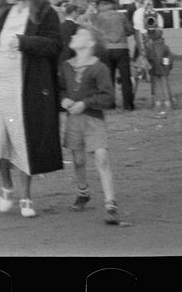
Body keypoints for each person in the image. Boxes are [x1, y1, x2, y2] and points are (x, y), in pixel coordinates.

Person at [0, 0, 63, 219]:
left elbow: (55, 45)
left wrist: (25, 42)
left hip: (26, 85)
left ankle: (26, 196)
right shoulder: (3, 12)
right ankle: (6, 186)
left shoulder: (45, 13)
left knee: (23, 138)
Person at [59, 25, 120, 224]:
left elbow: (108, 96)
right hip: (74, 121)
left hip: (94, 120)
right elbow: (60, 90)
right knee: (78, 159)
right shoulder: (66, 66)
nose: (74, 35)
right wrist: (63, 100)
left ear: (90, 43)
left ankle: (110, 204)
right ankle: (83, 191)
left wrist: (85, 103)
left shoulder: (99, 68)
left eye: (78, 34)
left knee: (102, 157)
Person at [88, 0, 136, 111]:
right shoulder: (121, 16)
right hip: (122, 48)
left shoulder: (98, 18)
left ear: (102, 5)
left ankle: (110, 104)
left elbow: (94, 33)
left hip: (106, 49)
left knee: (108, 78)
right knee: (125, 78)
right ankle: (128, 105)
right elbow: (130, 30)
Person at [142, 25, 174, 116]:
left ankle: (157, 102)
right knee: (165, 86)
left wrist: (148, 70)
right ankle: (168, 103)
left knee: (156, 87)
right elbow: (170, 58)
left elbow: (147, 59)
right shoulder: (165, 47)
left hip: (154, 70)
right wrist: (168, 68)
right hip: (164, 70)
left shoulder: (150, 47)